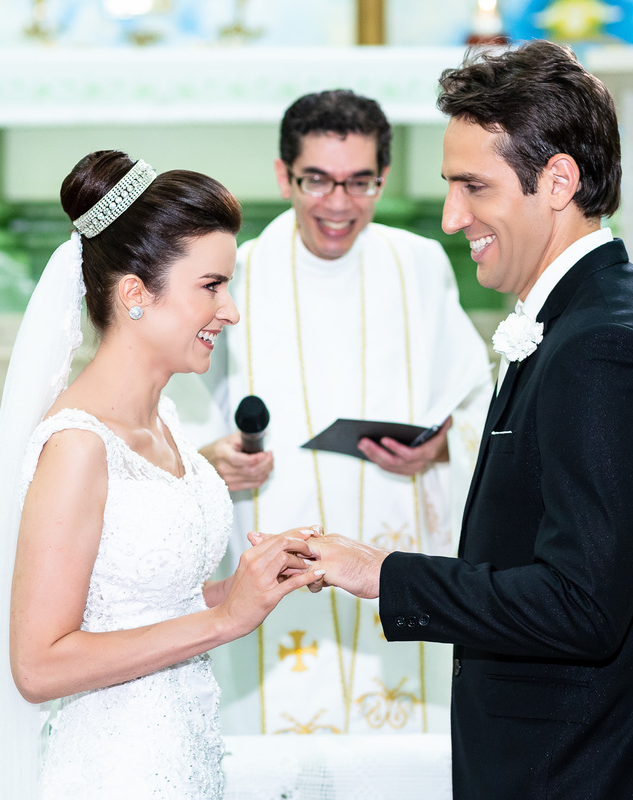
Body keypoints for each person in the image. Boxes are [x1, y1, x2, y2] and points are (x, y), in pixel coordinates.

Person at [294, 41, 633, 798]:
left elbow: (582, 606)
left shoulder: (607, 345)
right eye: (448, 187)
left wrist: (385, 574)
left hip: (596, 768)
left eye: (474, 187)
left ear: (558, 180)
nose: (449, 217)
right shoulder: (579, 321)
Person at [0, 151, 322, 800]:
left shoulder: (165, 418)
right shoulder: (79, 445)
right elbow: (37, 664)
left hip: (183, 753)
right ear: (136, 294)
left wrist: (246, 586)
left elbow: (148, 604)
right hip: (115, 772)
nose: (229, 311)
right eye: (211, 286)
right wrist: (226, 620)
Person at [171, 89, 493, 736]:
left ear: (384, 179)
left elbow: (473, 398)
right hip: (273, 542)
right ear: (283, 175)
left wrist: (443, 446)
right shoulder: (236, 273)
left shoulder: (422, 265)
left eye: (360, 182)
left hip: (394, 542)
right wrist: (210, 460)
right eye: (317, 180)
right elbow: (179, 408)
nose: (339, 204)